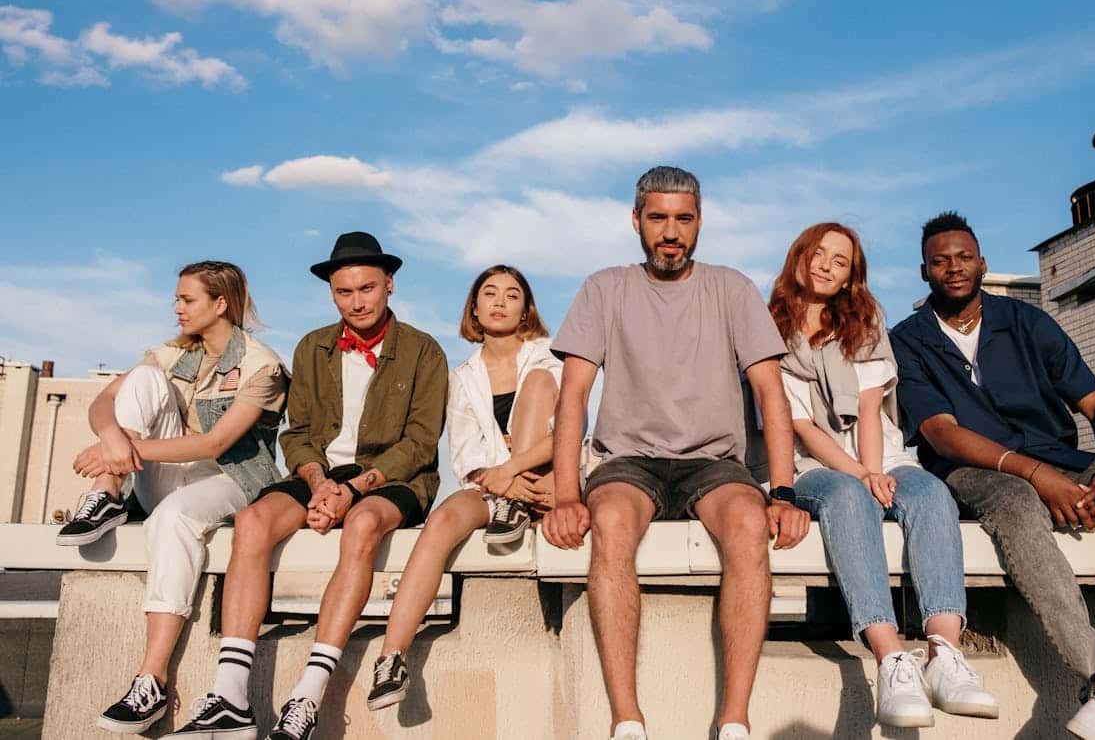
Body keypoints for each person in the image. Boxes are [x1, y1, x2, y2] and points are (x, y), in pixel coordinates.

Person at [542, 166, 810, 740]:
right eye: (658, 218)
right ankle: (627, 721)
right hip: (628, 461)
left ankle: (734, 721)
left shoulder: (731, 287)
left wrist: (783, 492)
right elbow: (574, 397)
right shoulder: (604, 287)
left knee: (746, 521)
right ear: (636, 221)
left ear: (699, 223)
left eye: (683, 219)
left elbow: (771, 393)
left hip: (714, 463)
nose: (671, 231)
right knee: (610, 521)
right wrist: (566, 495)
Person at [889, 212, 1095, 740]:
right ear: (924, 271)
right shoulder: (907, 340)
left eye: (963, 257)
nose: (954, 268)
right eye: (940, 261)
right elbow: (941, 432)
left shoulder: (1028, 322)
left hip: (1057, 457)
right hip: (969, 471)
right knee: (1016, 500)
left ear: (982, 263)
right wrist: (1037, 475)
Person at [163, 232, 447, 740]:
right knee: (251, 521)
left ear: (389, 285)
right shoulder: (312, 347)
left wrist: (354, 490)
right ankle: (230, 697)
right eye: (344, 292)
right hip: (321, 475)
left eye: (367, 289)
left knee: (360, 526)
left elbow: (421, 443)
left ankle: (308, 697)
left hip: (395, 479)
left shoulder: (425, 351)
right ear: (332, 293)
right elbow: (297, 434)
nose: (357, 302)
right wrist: (318, 482)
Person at [757, 222, 997, 728]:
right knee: (847, 496)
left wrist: (872, 469)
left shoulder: (865, 321)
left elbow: (870, 408)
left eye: (839, 261)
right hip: (810, 463)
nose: (825, 265)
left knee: (931, 494)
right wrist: (859, 476)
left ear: (850, 278)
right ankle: (889, 659)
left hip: (878, 453)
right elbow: (798, 424)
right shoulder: (768, 328)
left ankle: (944, 655)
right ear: (798, 258)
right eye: (818, 254)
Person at [56, 261, 287, 735]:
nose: (176, 308)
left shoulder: (262, 364)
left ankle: (152, 680)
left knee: (173, 518)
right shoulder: (172, 353)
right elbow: (105, 401)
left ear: (221, 304)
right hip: (156, 469)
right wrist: (112, 442)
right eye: (177, 298)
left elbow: (214, 445)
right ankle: (107, 497)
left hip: (230, 476)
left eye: (187, 300)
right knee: (141, 380)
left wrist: (125, 448)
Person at [364, 264, 560, 711]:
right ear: (473, 307)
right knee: (442, 521)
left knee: (538, 385)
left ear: (526, 308)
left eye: (512, 295)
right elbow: (465, 454)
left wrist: (512, 468)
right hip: (494, 488)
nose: (499, 302)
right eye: (489, 293)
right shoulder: (463, 375)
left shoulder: (549, 357)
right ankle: (392, 657)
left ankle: (512, 509)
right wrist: (500, 481)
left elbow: (567, 430)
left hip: (543, 479)